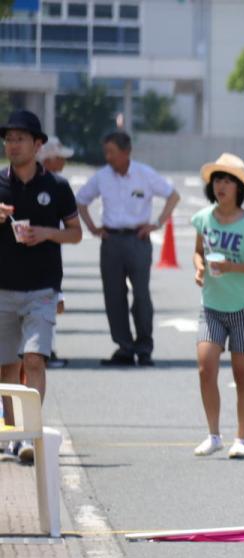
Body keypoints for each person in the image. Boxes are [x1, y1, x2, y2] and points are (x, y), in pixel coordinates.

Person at [0, 110, 82, 463]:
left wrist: (47, 233)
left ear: (37, 145)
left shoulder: (57, 187)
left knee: (33, 360)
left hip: (42, 291)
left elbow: (76, 233)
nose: (12, 144)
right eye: (9, 139)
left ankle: (28, 435)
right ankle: (11, 434)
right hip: (3, 290)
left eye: (20, 139)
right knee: (5, 368)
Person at [189, 154, 244, 460]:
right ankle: (213, 435)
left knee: (242, 375)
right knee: (205, 367)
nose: (221, 186)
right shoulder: (203, 218)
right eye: (217, 180)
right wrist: (199, 268)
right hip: (211, 306)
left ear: (239, 187)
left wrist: (232, 267)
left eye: (227, 181)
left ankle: (242, 438)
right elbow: (198, 252)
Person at [76, 130, 180, 366]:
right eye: (106, 152)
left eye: (112, 152)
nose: (108, 157)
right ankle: (124, 346)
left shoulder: (145, 174)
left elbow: (173, 196)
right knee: (113, 295)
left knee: (141, 295)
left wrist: (157, 223)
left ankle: (144, 347)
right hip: (111, 241)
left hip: (137, 240)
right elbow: (81, 200)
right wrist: (92, 228)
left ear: (126, 152)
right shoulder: (102, 177)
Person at [37, 136, 73, 369]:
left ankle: (45, 351)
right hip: (39, 261)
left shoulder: (57, 185)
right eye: (59, 158)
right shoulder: (43, 185)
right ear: (47, 160)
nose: (63, 162)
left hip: (50, 257)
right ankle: (44, 352)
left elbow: (73, 231)